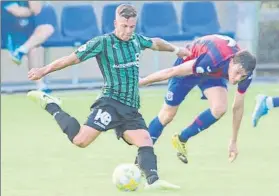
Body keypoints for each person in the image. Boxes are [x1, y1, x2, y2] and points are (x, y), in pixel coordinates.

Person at [26, 4, 190, 190]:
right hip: (110, 103)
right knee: (81, 140)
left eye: (131, 27)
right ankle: (51, 105)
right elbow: (71, 59)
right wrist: (44, 70)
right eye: (123, 26)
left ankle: (153, 181)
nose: (128, 31)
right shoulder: (102, 42)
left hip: (130, 107)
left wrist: (177, 50)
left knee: (145, 140)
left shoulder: (136, 40)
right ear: (115, 23)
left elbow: (156, 42)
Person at [139, 34, 256, 164]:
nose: (237, 79)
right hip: (191, 63)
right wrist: (142, 82)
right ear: (232, 61)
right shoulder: (212, 60)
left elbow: (238, 107)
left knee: (220, 108)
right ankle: (141, 158)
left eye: (243, 76)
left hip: (213, 72)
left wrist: (233, 141)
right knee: (167, 115)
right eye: (237, 73)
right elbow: (171, 71)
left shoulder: (246, 73)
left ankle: (181, 139)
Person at [1, 1, 54, 91]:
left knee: (48, 28)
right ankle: (22, 50)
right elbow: (19, 12)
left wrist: (30, 9)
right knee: (32, 48)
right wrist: (31, 10)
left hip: (29, 34)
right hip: (12, 34)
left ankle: (22, 50)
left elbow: (37, 10)